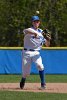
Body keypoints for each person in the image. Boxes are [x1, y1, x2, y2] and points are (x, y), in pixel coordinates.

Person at [20, 15, 51, 89]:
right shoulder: (29, 29)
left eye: (37, 21)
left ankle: (43, 84)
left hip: (36, 53)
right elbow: (25, 31)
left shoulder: (42, 32)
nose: (36, 23)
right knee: (26, 73)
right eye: (34, 21)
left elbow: (47, 45)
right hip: (26, 52)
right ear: (32, 22)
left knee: (40, 66)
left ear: (39, 22)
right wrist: (35, 33)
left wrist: (48, 39)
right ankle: (23, 79)